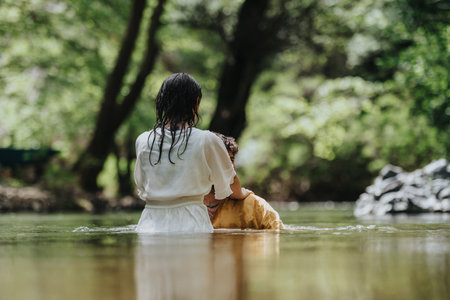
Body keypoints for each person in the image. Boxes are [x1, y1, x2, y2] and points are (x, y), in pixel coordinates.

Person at [134, 73, 250, 233]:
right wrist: (243, 193)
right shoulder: (207, 140)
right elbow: (230, 182)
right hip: (191, 224)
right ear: (195, 103)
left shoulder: (143, 140)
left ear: (162, 102)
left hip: (150, 225)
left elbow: (140, 185)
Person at [204, 133, 284, 230]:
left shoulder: (255, 207)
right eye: (221, 161)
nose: (228, 167)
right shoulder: (185, 205)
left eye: (231, 160)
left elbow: (277, 235)